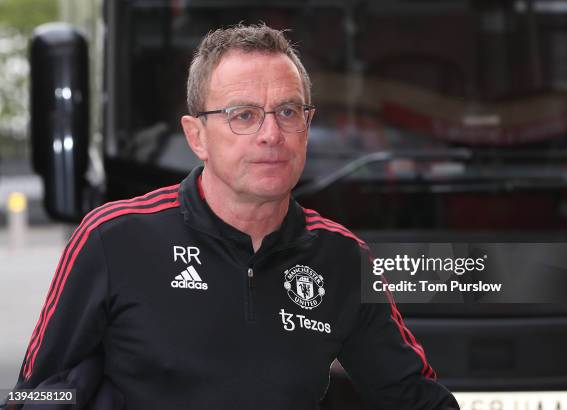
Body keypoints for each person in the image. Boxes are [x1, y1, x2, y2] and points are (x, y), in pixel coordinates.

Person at [8, 23, 459, 409]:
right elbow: (38, 395)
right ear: (197, 136)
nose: (271, 135)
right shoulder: (112, 238)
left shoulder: (341, 258)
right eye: (243, 115)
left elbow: (414, 397)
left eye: (287, 112)